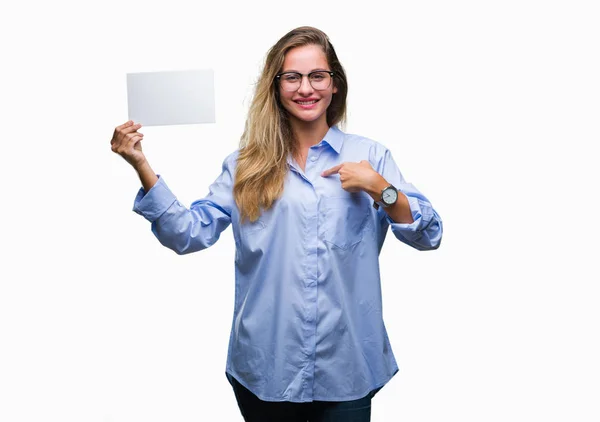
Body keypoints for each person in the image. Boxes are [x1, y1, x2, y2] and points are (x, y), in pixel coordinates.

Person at [111, 26, 442, 422]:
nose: (306, 88)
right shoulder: (245, 165)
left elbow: (430, 235)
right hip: (266, 367)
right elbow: (187, 234)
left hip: (347, 365)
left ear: (335, 84)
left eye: (317, 75)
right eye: (293, 77)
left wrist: (381, 189)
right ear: (276, 85)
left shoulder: (371, 156)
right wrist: (141, 165)